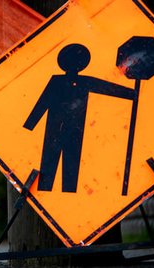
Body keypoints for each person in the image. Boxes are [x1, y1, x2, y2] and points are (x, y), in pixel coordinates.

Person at [23, 43, 135, 193]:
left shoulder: (83, 81)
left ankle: (67, 194)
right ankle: (46, 192)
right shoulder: (57, 81)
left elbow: (106, 87)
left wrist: (132, 94)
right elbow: (42, 103)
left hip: (74, 130)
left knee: (70, 167)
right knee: (49, 167)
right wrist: (29, 125)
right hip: (55, 129)